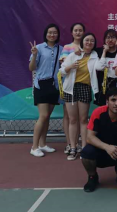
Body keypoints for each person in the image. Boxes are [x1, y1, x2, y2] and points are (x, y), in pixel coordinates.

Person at [60, 32, 101, 161]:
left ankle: (84, 148)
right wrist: (70, 66)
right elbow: (61, 71)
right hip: (70, 88)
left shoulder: (95, 55)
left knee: (83, 119)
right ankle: (73, 147)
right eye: (87, 40)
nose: (89, 42)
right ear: (82, 41)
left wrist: (104, 53)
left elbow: (100, 67)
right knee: (72, 119)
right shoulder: (73, 55)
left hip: (85, 88)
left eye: (92, 41)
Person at [28, 24, 63, 158]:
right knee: (42, 116)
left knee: (47, 116)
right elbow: (31, 68)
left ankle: (42, 144)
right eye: (50, 32)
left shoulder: (61, 49)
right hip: (41, 85)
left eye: (55, 33)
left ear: (58, 35)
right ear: (46, 34)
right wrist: (34, 55)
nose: (52, 35)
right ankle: (34, 147)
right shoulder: (39, 48)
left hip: (54, 85)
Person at [58, 23, 86, 158]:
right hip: (69, 86)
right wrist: (73, 56)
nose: (78, 32)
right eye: (76, 30)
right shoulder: (67, 47)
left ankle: (78, 143)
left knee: (81, 118)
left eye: (80, 30)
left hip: (83, 85)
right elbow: (63, 63)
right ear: (72, 32)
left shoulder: (87, 46)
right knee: (68, 116)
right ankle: (70, 143)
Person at [95, 30, 117, 106]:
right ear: (104, 40)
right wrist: (104, 52)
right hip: (103, 86)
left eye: (113, 37)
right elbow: (99, 67)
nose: (110, 40)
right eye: (108, 37)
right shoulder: (99, 51)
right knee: (103, 109)